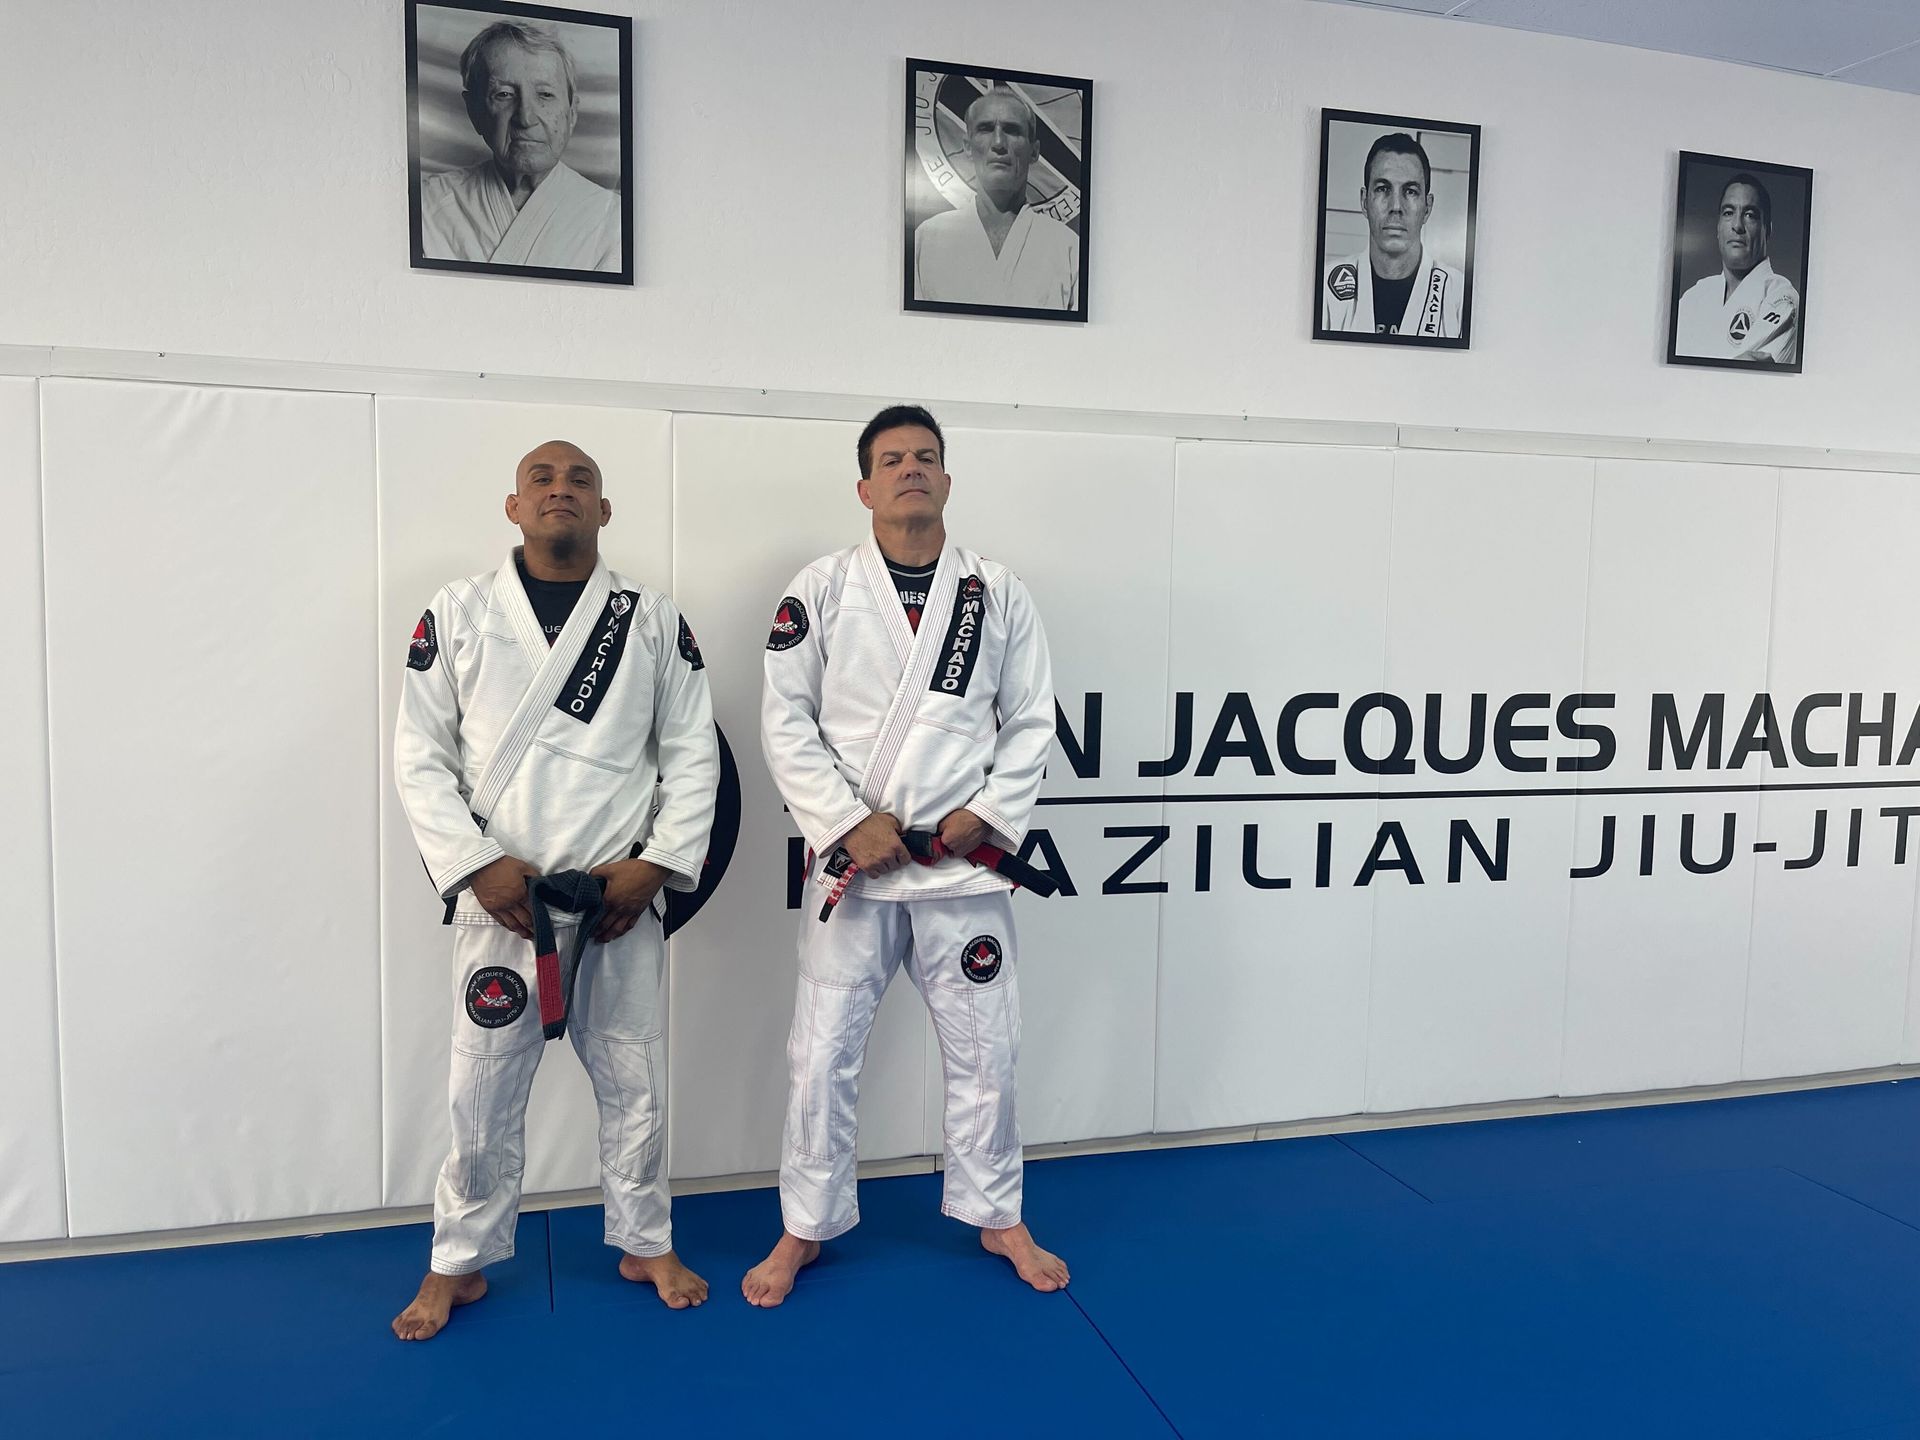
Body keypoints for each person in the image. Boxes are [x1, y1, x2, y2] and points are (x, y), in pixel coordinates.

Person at [743, 404, 1069, 1307]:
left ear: (948, 481)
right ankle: (804, 1226)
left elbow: (1032, 717)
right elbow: (786, 721)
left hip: (962, 869)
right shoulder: (818, 590)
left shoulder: (994, 592)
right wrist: (847, 823)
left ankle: (998, 1212)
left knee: (986, 1049)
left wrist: (992, 812)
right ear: (864, 487)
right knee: (820, 1056)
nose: (910, 471)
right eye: (892, 461)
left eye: (926, 458)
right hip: (858, 869)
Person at [391, 440, 716, 1339]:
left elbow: (692, 755)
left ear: (604, 512)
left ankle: (646, 1238)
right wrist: (471, 865)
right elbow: (420, 757)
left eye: (580, 481)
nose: (560, 491)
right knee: (479, 1087)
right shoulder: (456, 613)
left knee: (635, 1077)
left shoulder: (650, 618)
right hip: (503, 902)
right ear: (513, 505)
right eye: (543, 478)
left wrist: (653, 865)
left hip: (616, 898)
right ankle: (456, 1261)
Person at [419, 22, 621, 272]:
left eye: (545, 95)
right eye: (503, 94)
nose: (525, 118)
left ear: (572, 113)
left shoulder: (613, 221)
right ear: (475, 111)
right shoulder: (428, 206)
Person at [913, 86, 1079, 309]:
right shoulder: (928, 238)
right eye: (985, 129)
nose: (999, 143)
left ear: (1034, 151)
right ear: (968, 147)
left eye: (1012, 130)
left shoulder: (1067, 248)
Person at [1321, 131, 1464, 339]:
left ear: (1427, 207)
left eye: (1411, 191)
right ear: (1364, 201)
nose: (1396, 207)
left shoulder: (1457, 294)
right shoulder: (1326, 287)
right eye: (1382, 189)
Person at [1674, 172, 1799, 364]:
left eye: (1750, 215)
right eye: (1728, 213)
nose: (1737, 225)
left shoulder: (1781, 297)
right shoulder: (1695, 296)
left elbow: (1743, 376)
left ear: (1768, 229)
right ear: (1717, 228)